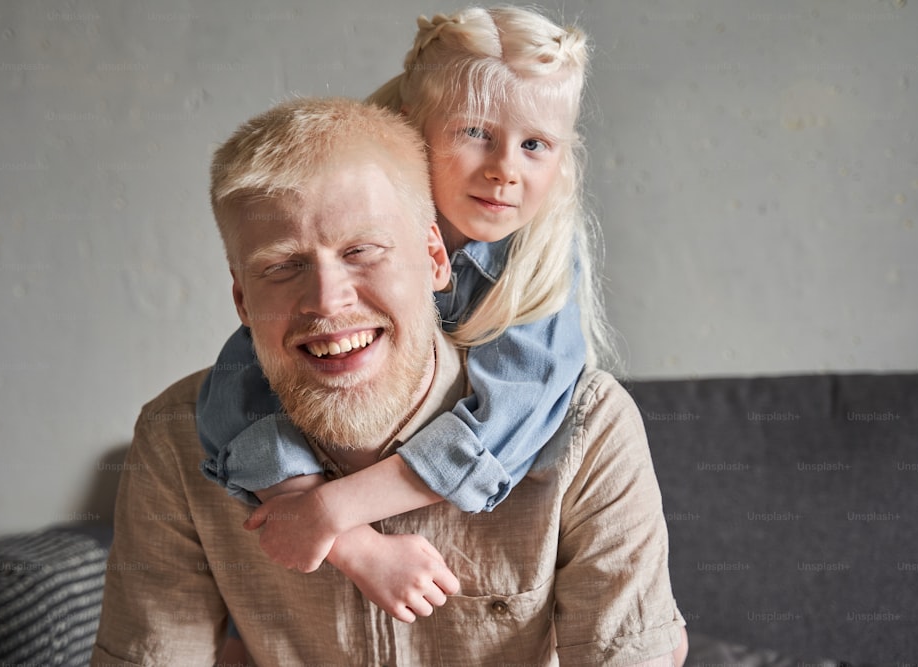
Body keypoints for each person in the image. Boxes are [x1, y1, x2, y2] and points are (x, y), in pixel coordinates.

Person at [91, 96, 687, 665]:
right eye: (283, 266)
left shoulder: (589, 430)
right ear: (242, 299)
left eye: (362, 251)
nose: (327, 301)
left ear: (435, 260)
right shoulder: (175, 438)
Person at [196, 6, 618, 623]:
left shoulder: (540, 258)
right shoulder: (343, 233)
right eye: (475, 133)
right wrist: (351, 545)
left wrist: (332, 512)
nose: (505, 170)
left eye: (535, 145)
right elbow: (234, 399)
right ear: (414, 132)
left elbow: (508, 422)